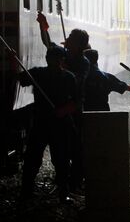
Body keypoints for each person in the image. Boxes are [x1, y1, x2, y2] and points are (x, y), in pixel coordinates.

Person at [36, 12, 90, 191]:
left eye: (71, 39)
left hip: (73, 110)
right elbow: (48, 44)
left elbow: (78, 81)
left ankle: (74, 182)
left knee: (76, 148)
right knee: (61, 148)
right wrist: (43, 28)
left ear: (79, 44)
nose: (66, 40)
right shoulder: (64, 55)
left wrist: (65, 70)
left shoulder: (83, 62)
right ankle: (63, 181)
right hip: (60, 109)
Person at [19, 45, 77, 203]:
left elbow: (76, 102)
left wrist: (63, 110)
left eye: (52, 57)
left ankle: (60, 191)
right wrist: (13, 61)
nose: (49, 60)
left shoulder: (68, 77)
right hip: (45, 122)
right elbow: (22, 79)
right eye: (49, 57)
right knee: (39, 158)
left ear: (60, 59)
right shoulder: (39, 73)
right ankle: (30, 191)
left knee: (58, 159)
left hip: (55, 123)